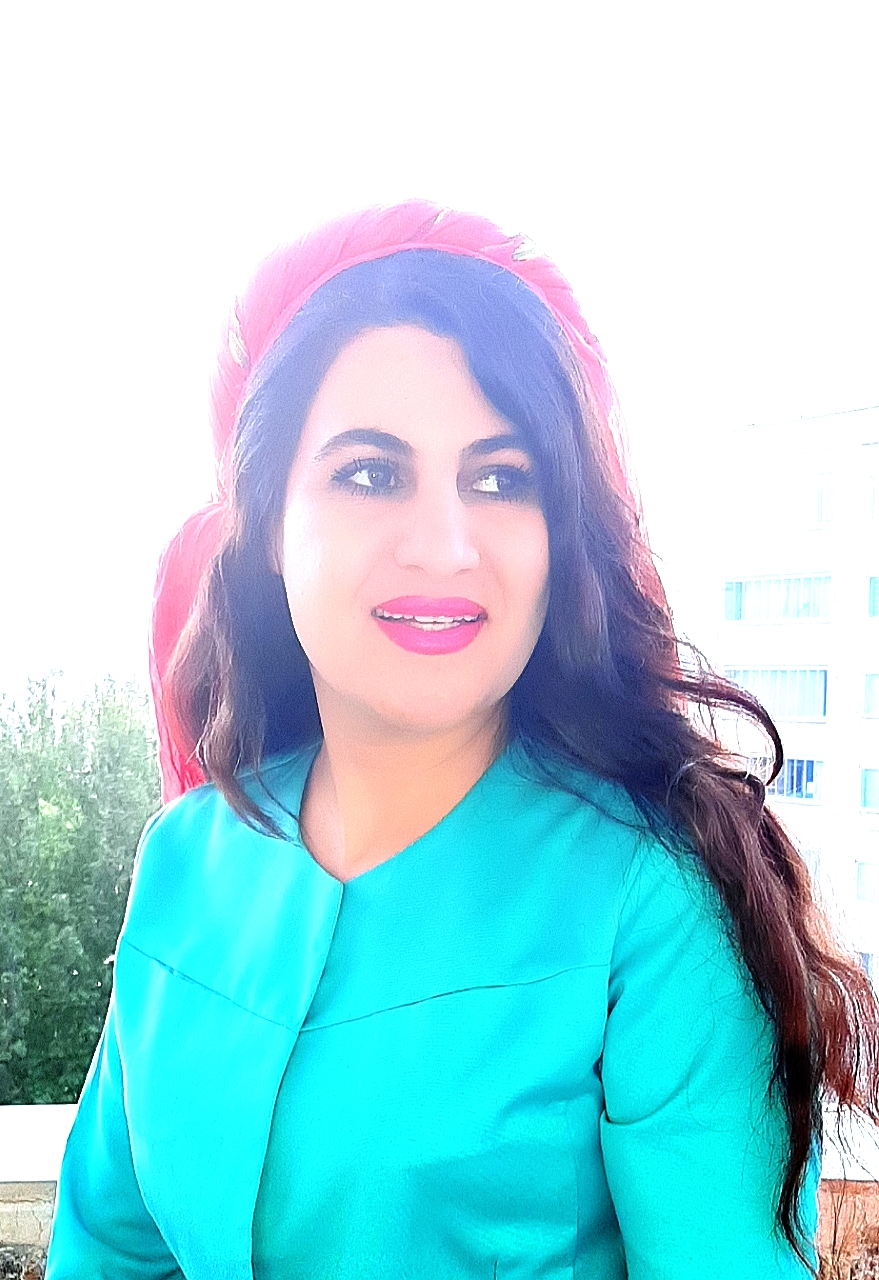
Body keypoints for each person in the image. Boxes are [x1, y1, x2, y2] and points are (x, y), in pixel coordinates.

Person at [45, 201, 879, 1279]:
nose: (443, 545)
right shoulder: (187, 858)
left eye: (500, 478)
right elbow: (110, 1245)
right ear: (268, 526)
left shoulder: (659, 898)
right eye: (369, 472)